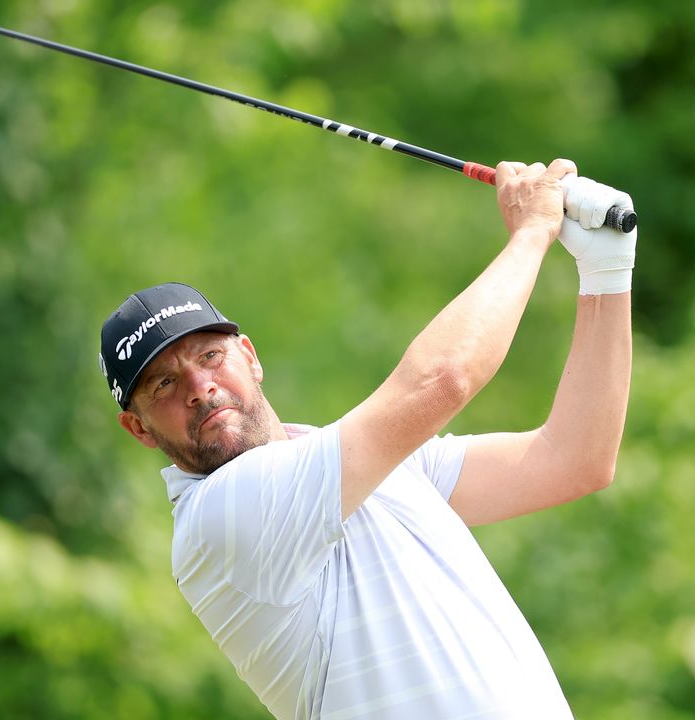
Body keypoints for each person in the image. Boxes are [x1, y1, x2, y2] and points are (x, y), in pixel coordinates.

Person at [97, 159, 635, 719]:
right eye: (164, 383)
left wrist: (606, 269)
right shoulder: (220, 516)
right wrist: (531, 234)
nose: (200, 388)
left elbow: (575, 458)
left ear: (250, 358)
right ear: (139, 429)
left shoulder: (368, 467)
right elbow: (442, 380)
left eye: (211, 356)